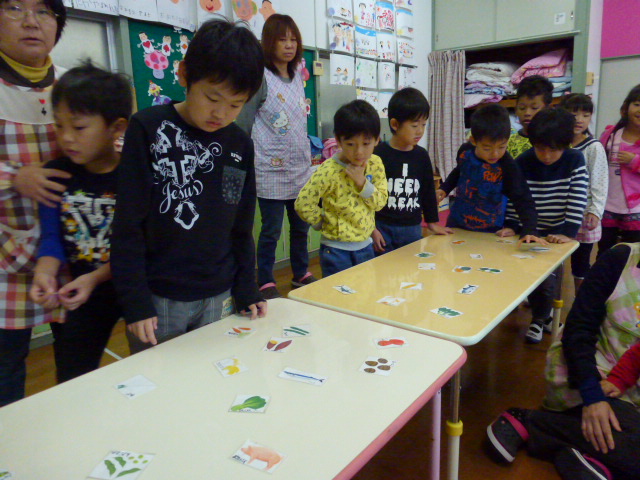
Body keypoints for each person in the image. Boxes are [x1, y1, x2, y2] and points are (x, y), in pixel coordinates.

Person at [111, 19, 267, 353]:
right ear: (183, 75)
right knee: (158, 386)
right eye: (212, 98)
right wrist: (135, 300)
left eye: (236, 104)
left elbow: (239, 223)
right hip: (160, 297)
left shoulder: (238, 145)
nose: (221, 113)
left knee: (215, 378)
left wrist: (247, 287)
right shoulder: (147, 130)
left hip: (219, 293)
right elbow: (127, 226)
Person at [486, 243, 640, 480]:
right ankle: (533, 422)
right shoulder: (621, 258)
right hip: (597, 378)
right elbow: (579, 329)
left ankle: (579, 454)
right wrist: (592, 396)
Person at [29, 62, 131, 383]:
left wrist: (97, 277)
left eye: (79, 127)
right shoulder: (56, 173)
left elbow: (142, 244)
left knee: (153, 362)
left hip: (133, 284)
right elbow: (51, 240)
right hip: (83, 293)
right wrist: (45, 274)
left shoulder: (133, 175)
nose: (67, 138)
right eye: (59, 126)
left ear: (116, 128)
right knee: (72, 373)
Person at [0, 0, 69, 407]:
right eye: (14, 8)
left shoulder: (71, 85)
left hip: (69, 248)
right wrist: (14, 177)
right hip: (5, 256)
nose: (30, 21)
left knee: (75, 354)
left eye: (43, 12)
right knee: (8, 363)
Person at [503, 108, 588, 343]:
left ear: (565, 145)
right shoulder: (524, 161)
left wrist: (568, 232)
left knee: (551, 276)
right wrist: (512, 224)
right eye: (541, 148)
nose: (547, 156)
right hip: (531, 229)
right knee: (530, 274)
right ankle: (544, 316)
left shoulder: (574, 159)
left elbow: (578, 197)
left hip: (558, 230)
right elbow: (516, 197)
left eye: (554, 149)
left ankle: (540, 319)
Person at [251, 14, 315, 299]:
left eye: (293, 39)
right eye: (282, 39)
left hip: (300, 166)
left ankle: (300, 272)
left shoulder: (298, 77)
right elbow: (247, 119)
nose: (289, 45)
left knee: (301, 225)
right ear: (269, 42)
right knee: (271, 230)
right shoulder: (260, 77)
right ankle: (265, 278)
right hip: (270, 167)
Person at [295, 100, 388, 277]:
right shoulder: (329, 170)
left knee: (363, 296)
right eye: (351, 144)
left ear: (377, 140)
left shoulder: (375, 164)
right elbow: (303, 203)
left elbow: (380, 202)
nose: (359, 152)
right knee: (335, 296)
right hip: (335, 250)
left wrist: (362, 184)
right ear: (338, 140)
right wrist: (320, 222)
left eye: (366, 144)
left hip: (365, 246)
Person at [436, 104, 541, 244]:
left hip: (490, 231)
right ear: (473, 141)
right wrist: (444, 188)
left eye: (502, 147)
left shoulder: (507, 165)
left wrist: (529, 230)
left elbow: (522, 198)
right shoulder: (465, 152)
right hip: (457, 224)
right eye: (487, 148)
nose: (495, 153)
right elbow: (459, 171)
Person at [372, 87, 451, 255]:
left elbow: (428, 191)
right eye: (414, 125)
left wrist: (432, 223)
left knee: (411, 271)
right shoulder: (378, 154)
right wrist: (371, 229)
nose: (420, 131)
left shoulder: (421, 156)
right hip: (383, 227)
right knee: (383, 271)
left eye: (423, 124)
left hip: (412, 229)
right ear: (394, 124)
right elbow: (369, 195)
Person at [559, 94, 608, 295]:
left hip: (583, 214)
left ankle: (582, 301)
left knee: (580, 262)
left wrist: (594, 211)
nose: (580, 119)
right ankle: (549, 302)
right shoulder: (559, 145)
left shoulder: (593, 147)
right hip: (561, 212)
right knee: (555, 259)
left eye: (585, 115)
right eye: (574, 114)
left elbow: (600, 182)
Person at [597, 85, 640, 257]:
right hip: (608, 205)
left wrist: (634, 161)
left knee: (632, 255)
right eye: (637, 104)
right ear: (626, 107)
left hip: (636, 208)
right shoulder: (611, 134)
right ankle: (605, 283)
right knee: (605, 252)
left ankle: (628, 285)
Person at [507, 75, 554, 159]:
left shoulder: (557, 142)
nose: (527, 113)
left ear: (548, 109)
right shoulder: (508, 143)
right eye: (522, 108)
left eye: (534, 108)